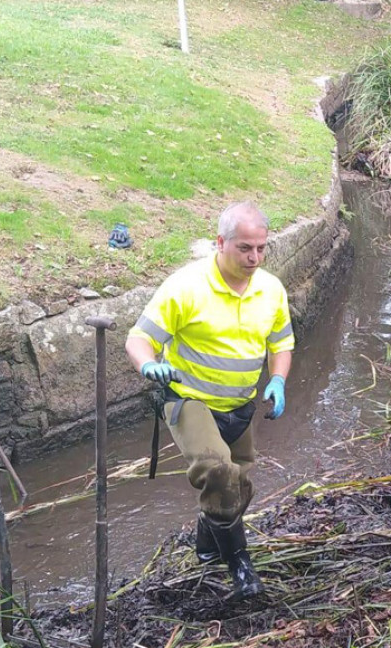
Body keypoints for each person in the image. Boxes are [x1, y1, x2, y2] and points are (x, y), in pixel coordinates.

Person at [125, 201, 294, 602]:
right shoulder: (186, 286)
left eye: (261, 248)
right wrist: (149, 365)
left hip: (240, 405)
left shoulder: (271, 289)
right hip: (190, 400)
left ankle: (205, 544)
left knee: (240, 483)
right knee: (219, 472)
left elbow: (281, 343)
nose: (254, 258)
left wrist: (278, 380)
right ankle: (239, 563)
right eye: (244, 248)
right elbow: (138, 339)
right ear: (220, 242)